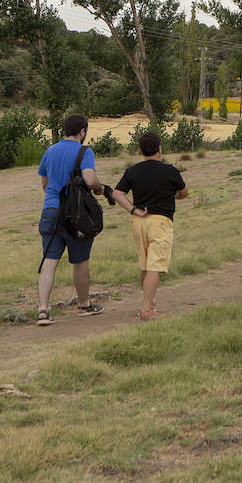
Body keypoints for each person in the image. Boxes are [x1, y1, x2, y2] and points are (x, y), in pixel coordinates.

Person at [107, 131, 189, 320]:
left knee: (145, 266)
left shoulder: (133, 171)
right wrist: (173, 195)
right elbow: (184, 192)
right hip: (160, 221)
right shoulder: (169, 170)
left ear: (141, 150)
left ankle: (148, 303)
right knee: (154, 266)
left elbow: (117, 194)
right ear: (160, 149)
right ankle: (146, 310)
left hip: (139, 221)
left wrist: (133, 209)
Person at [35, 113, 108, 326]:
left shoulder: (50, 151)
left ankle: (42, 310)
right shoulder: (85, 151)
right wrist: (99, 188)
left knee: (49, 262)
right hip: (76, 214)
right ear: (83, 131)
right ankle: (84, 304)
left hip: (50, 211)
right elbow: (90, 179)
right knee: (80, 261)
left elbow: (44, 184)